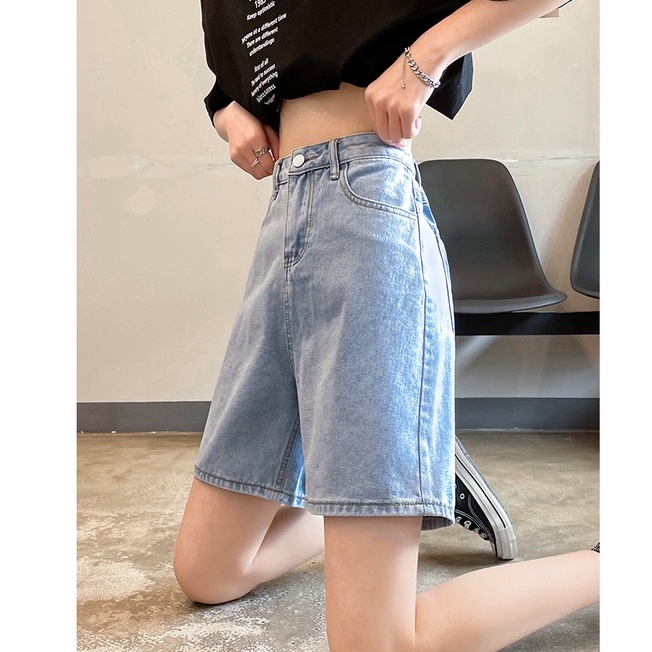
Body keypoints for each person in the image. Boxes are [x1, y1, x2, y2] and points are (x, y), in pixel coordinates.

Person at [174, 1, 599, 650]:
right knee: (208, 573)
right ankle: (417, 477)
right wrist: (226, 111)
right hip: (284, 218)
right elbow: (236, 70)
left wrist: (425, 59)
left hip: (366, 205)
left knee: (376, 642)